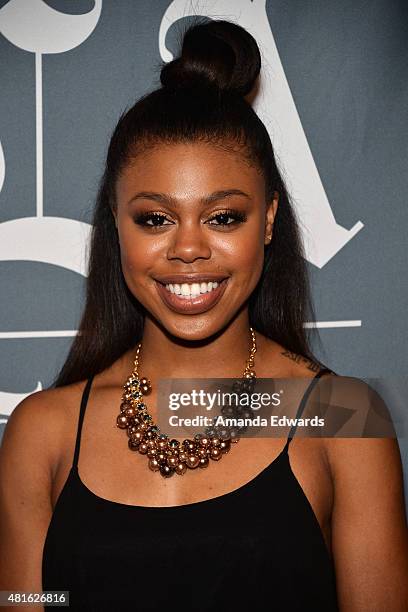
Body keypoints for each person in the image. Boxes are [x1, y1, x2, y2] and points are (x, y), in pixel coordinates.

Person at [0, 18, 407, 612]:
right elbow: (29, 600)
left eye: (223, 217)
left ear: (268, 220)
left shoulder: (340, 417)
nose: (188, 248)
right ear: (116, 225)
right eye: (154, 218)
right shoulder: (44, 432)